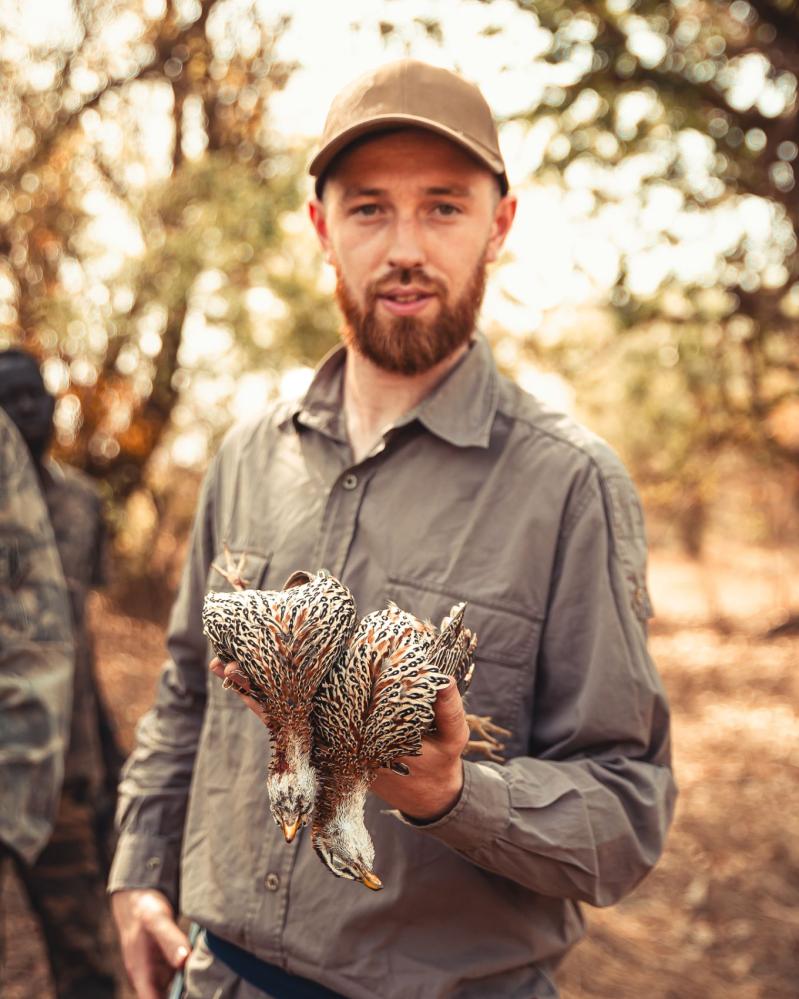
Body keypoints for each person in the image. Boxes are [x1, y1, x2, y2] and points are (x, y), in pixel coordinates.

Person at [109, 60, 677, 999]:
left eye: (443, 207)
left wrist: (456, 797)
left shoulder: (569, 487)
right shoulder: (248, 455)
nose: (404, 246)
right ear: (321, 229)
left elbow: (626, 810)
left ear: (499, 225)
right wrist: (138, 872)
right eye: (369, 208)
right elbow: (182, 697)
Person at [0, 348, 121, 998]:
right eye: (7, 399)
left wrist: (108, 754)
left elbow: (78, 642)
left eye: (32, 396)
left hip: (63, 776)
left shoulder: (82, 502)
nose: (24, 411)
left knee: (90, 969)